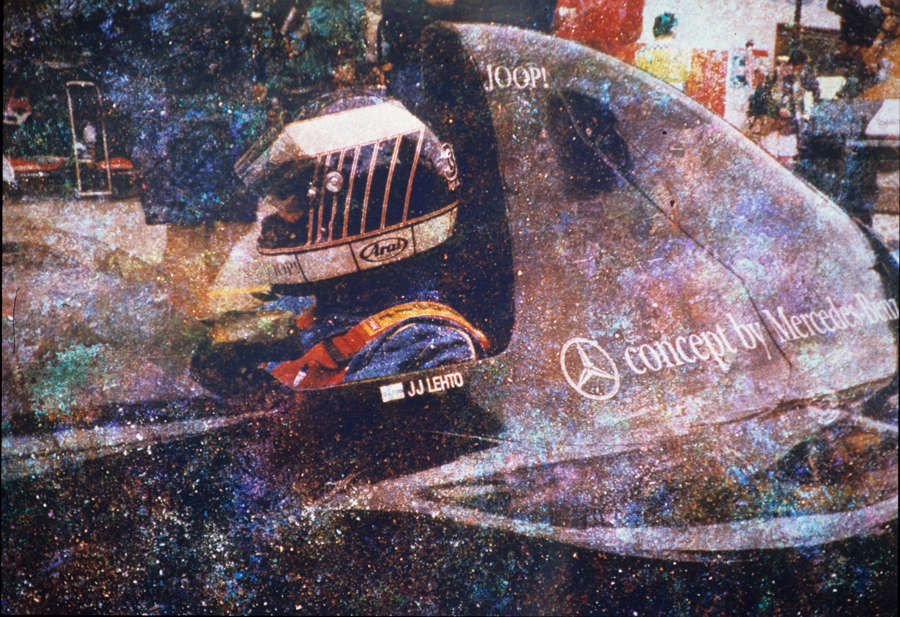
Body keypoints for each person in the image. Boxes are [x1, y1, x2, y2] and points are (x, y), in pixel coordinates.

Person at [193, 94, 494, 395]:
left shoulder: (430, 345)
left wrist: (259, 393)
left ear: (360, 211)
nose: (278, 218)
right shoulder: (306, 309)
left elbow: (339, 419)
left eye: (294, 202)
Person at [634, 12, 691, 91]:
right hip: (675, 95)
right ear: (673, 30)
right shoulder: (682, 51)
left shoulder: (641, 53)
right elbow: (685, 76)